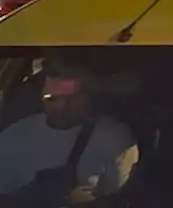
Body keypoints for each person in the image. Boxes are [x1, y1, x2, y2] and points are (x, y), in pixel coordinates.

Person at [0, 57, 138, 201]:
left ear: (88, 97)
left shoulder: (114, 137)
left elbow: (123, 197)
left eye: (72, 98)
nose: (61, 106)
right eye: (52, 98)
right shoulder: (15, 135)